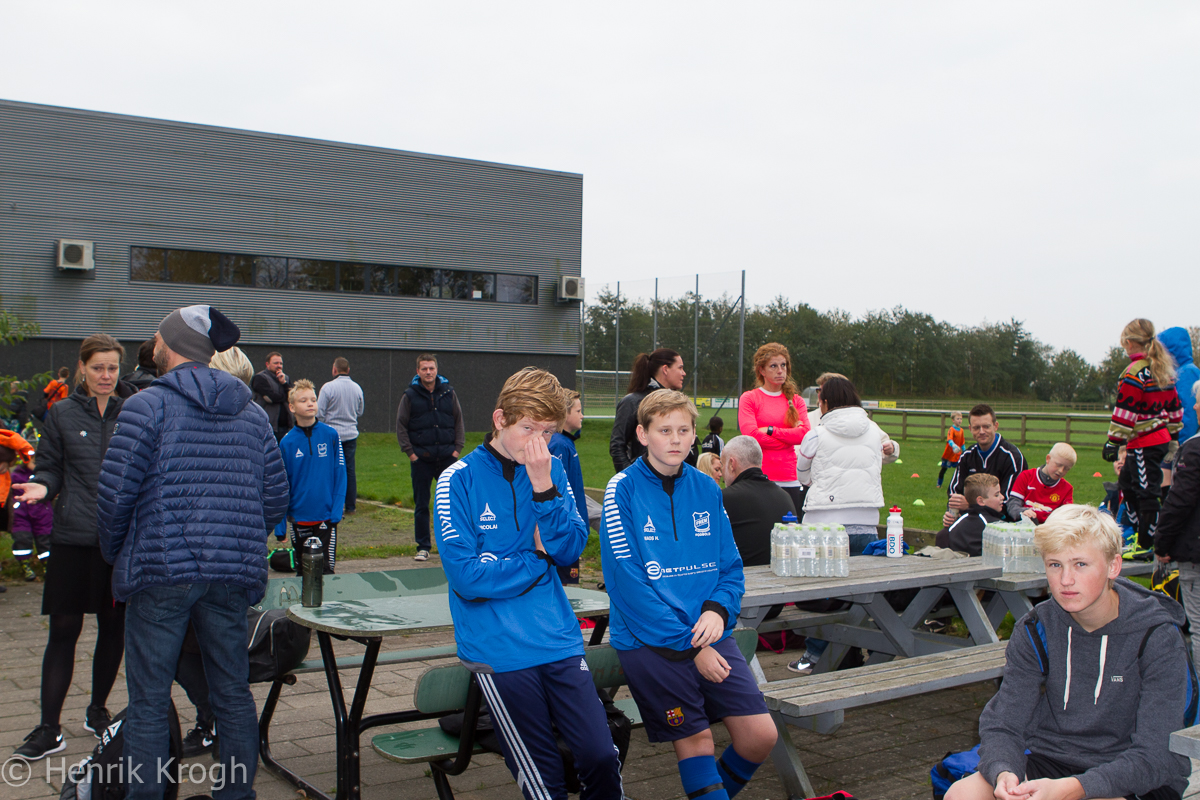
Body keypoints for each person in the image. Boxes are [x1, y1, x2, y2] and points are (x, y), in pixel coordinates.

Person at [97, 304, 289, 800]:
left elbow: (115, 496)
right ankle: (236, 794)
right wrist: (236, 536)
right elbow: (275, 499)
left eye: (160, 336)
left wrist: (116, 554)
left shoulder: (145, 407)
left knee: (148, 698)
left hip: (161, 571)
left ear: (174, 345)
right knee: (232, 692)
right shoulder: (252, 414)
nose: (154, 343)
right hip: (231, 575)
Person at [434, 368, 622, 800]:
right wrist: (536, 558)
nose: (539, 443)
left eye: (549, 432)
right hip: (498, 648)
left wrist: (543, 488)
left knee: (600, 755)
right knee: (543, 776)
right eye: (528, 429)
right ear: (500, 419)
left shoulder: (550, 470)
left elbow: (570, 548)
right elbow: (467, 578)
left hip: (557, 637)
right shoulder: (458, 480)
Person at [945, 505, 1191, 800]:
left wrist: (1074, 788)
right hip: (1053, 759)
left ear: (1113, 566)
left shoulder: (1156, 635)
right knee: (962, 794)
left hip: (1136, 772)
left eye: (1080, 564)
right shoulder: (1037, 628)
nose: (1065, 580)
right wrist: (1004, 771)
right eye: (1055, 565)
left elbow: (1156, 754)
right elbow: (1004, 722)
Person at [601, 390, 777, 800]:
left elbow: (731, 568)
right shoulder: (622, 489)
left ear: (695, 433)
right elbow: (627, 584)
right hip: (651, 638)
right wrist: (691, 646)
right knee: (698, 741)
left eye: (683, 430)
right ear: (642, 435)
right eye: (664, 430)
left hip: (708, 630)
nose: (675, 439)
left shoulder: (706, 488)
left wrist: (717, 611)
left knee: (760, 735)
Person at [10, 335, 135, 761]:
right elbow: (49, 467)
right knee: (63, 630)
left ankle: (97, 710)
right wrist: (42, 488)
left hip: (117, 541)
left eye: (113, 368)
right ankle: (49, 728)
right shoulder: (61, 412)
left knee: (113, 628)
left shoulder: (132, 411)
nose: (106, 375)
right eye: (98, 367)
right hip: (72, 538)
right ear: (82, 367)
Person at [789, 376, 896, 675]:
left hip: (824, 523)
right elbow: (891, 450)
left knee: (821, 596)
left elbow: (802, 474)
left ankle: (816, 654)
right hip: (866, 521)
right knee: (862, 596)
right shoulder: (872, 428)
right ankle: (861, 651)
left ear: (825, 403)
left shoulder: (817, 433)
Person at [1102, 319, 1183, 558]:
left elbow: (1126, 409)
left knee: (1146, 491)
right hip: (1159, 436)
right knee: (1127, 484)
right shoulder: (1162, 368)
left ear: (1128, 343)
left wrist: (1113, 441)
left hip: (1145, 441)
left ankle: (1148, 544)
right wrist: (1174, 435)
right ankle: (1139, 535)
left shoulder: (1134, 372)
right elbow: (1175, 406)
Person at [396, 354, 465, 562]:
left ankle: (454, 547)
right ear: (418, 371)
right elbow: (401, 425)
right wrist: (411, 454)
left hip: (447, 458)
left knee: (453, 504)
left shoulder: (448, 392)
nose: (428, 372)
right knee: (422, 505)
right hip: (421, 459)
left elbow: (458, 420)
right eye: (424, 369)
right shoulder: (410, 395)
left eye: (431, 368)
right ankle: (423, 547)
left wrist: (457, 450)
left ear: (437, 370)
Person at [279, 378, 347, 574]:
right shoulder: (287, 442)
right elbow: (281, 484)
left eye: (313, 399)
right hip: (299, 517)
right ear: (292, 407)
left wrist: (336, 511)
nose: (310, 404)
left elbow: (340, 474)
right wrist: (280, 526)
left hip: (326, 517)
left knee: (325, 570)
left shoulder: (330, 435)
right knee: (304, 571)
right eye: (303, 400)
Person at [1154, 383, 1200, 663]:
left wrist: (1162, 543)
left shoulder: (1193, 449)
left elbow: (1180, 500)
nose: (1194, 406)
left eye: (1198, 401)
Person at [738, 343, 812, 514]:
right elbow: (751, 436)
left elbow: (804, 435)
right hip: (759, 476)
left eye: (783, 365)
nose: (780, 371)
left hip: (790, 478)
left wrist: (771, 430)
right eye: (773, 366)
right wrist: (788, 440)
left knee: (790, 529)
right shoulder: (749, 398)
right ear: (761, 370)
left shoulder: (797, 400)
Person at [610, 347, 695, 472]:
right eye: (680, 368)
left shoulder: (680, 403)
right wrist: (634, 478)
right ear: (665, 369)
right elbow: (617, 445)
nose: (684, 373)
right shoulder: (633, 402)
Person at [943, 403, 1027, 528]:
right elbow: (954, 492)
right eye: (976, 428)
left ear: (995, 426)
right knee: (944, 535)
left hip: (1002, 526)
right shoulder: (967, 456)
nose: (981, 432)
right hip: (969, 521)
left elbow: (1008, 503)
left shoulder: (1012, 457)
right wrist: (952, 514)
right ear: (970, 429)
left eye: (986, 426)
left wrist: (970, 506)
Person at [720, 435, 796, 567]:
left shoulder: (725, 498)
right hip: (781, 572)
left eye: (722, 464)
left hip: (743, 575)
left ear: (732, 464)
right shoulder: (784, 496)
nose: (721, 473)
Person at [548, 388, 586, 584]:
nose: (582, 415)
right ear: (565, 413)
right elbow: (558, 490)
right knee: (564, 583)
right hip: (565, 529)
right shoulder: (559, 445)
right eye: (578, 411)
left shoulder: (566, 442)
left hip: (571, 528)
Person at [317, 357, 364, 514]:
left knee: (330, 469)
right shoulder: (357, 388)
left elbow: (319, 412)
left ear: (334, 370)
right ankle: (350, 506)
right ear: (348, 370)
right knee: (349, 470)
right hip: (350, 434)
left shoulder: (328, 388)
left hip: (331, 434)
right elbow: (360, 411)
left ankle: (332, 504)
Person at [1158, 327, 1200, 488]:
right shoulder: (1177, 372)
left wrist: (1179, 448)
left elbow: (1189, 414)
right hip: (1175, 443)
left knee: (1168, 487)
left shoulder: (1187, 372)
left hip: (1181, 446)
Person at [935, 474, 1005, 556]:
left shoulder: (958, 523)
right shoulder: (995, 526)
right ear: (981, 501)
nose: (1002, 497)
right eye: (996, 495)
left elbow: (942, 536)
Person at [1007, 443, 1076, 525]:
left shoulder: (1067, 489)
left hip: (1049, 528)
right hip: (1023, 525)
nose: (1061, 470)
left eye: (1066, 469)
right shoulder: (1026, 476)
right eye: (1058, 465)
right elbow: (1013, 504)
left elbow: (1067, 515)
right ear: (1048, 459)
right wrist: (1022, 512)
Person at [11, 451, 53, 582]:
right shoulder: (16, 476)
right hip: (21, 514)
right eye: (34, 461)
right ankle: (25, 566)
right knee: (22, 538)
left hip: (42, 514)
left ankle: (47, 566)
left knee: (45, 540)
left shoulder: (45, 477)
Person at [252, 350, 294, 440]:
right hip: (267, 425)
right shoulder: (260, 378)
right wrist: (285, 396)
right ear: (267, 364)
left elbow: (293, 397)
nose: (279, 366)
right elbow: (271, 398)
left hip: (286, 427)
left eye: (281, 363)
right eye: (276, 363)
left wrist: (284, 383)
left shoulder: (286, 378)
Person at [937, 411, 964, 489]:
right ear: (953, 420)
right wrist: (954, 446)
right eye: (958, 419)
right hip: (949, 454)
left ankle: (960, 485)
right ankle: (939, 484)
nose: (959, 420)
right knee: (944, 469)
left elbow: (962, 442)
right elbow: (949, 439)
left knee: (961, 468)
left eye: (960, 419)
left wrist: (964, 451)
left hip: (957, 454)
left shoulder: (961, 430)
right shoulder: (951, 429)